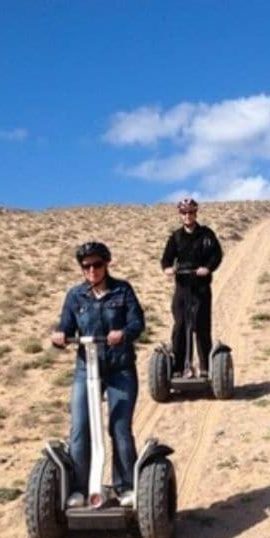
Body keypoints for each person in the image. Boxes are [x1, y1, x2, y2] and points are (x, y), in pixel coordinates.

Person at [51, 241, 145, 508]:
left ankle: (125, 486)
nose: (91, 270)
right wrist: (59, 335)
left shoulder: (122, 290)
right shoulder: (75, 295)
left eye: (97, 264)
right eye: (86, 266)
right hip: (86, 369)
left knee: (119, 427)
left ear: (106, 264)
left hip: (120, 368)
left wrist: (124, 333)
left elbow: (137, 322)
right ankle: (81, 489)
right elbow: (66, 325)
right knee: (80, 427)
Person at [160, 198, 223, 378]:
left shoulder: (206, 234)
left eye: (191, 212)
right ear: (180, 215)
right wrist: (167, 269)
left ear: (196, 213)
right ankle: (179, 367)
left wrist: (207, 268)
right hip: (182, 286)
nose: (187, 216)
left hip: (201, 286)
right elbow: (166, 258)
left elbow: (217, 255)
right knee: (180, 325)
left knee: (201, 325)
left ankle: (205, 368)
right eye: (184, 213)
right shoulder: (176, 236)